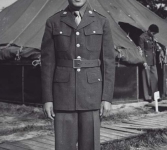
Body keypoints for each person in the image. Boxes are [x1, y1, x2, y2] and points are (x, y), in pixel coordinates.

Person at [41, 0, 115, 149]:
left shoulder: (101, 21)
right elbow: (47, 64)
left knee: (90, 145)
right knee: (64, 146)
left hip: (92, 95)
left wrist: (106, 97)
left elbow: (108, 62)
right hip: (63, 95)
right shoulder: (53, 22)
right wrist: (47, 99)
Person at [139, 24, 163, 103]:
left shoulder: (153, 37)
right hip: (146, 61)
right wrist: (144, 61)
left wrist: (160, 49)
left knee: (155, 79)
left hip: (153, 61)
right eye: (153, 33)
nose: (154, 34)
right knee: (146, 79)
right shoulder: (142, 37)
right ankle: (148, 96)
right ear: (149, 30)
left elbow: (155, 47)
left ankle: (155, 96)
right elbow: (141, 50)